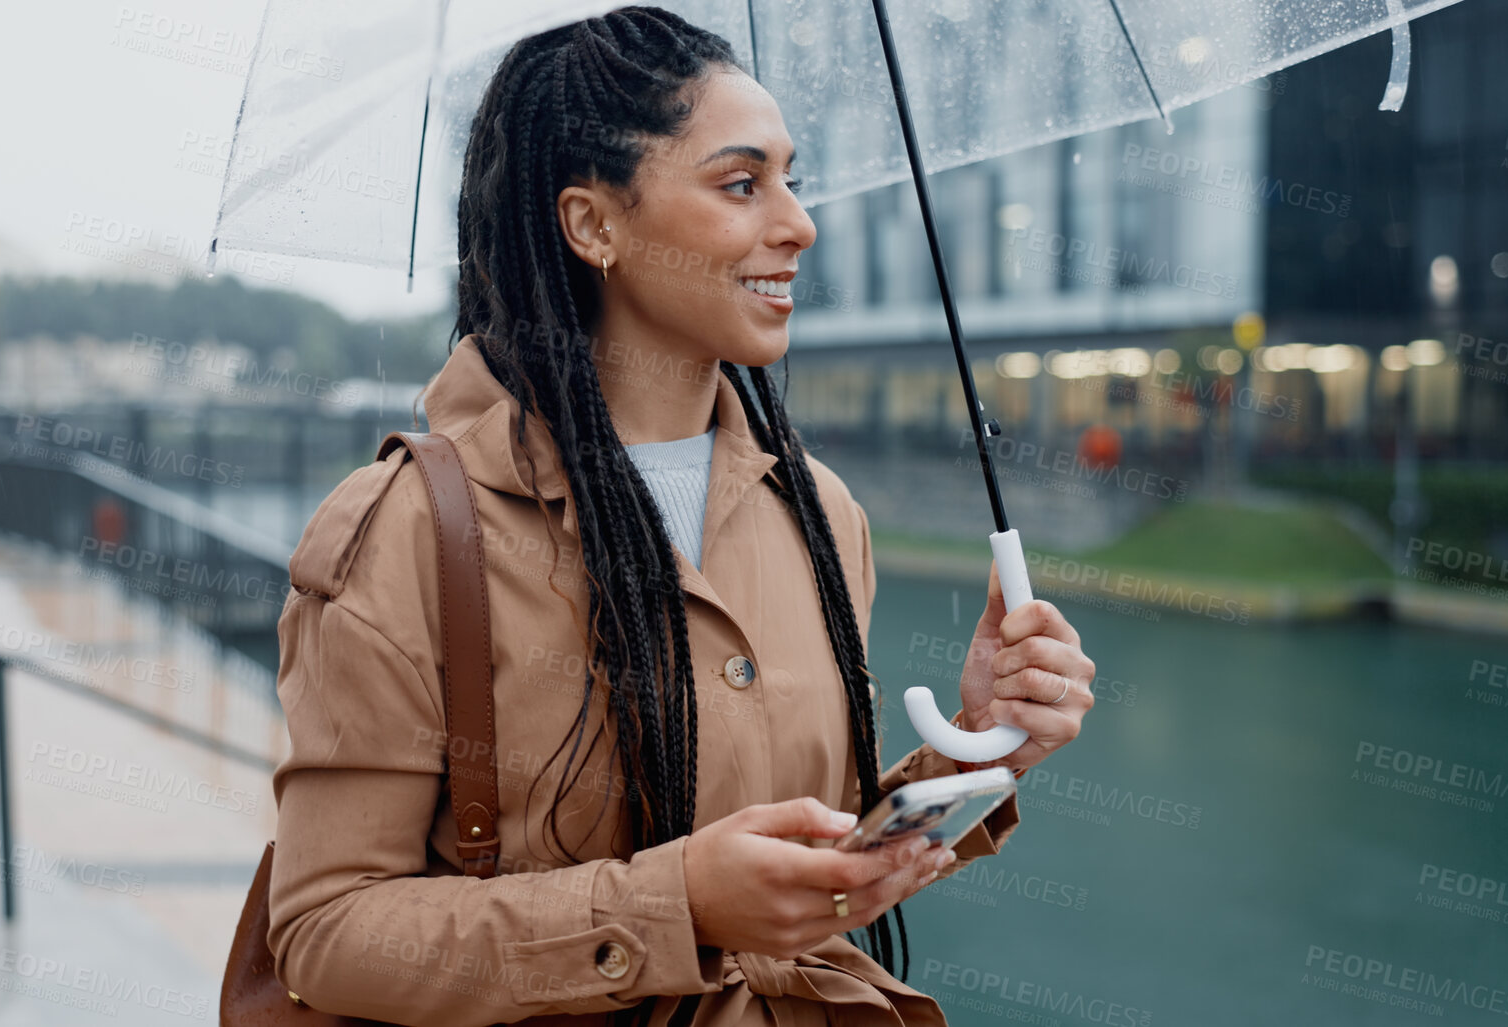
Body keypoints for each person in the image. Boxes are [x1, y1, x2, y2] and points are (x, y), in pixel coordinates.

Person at [265, 8, 1095, 1026]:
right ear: (593, 224)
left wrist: (978, 747)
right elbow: (326, 931)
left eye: (794, 178)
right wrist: (677, 903)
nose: (799, 222)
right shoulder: (405, 532)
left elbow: (817, 863)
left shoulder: (823, 514)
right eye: (742, 183)